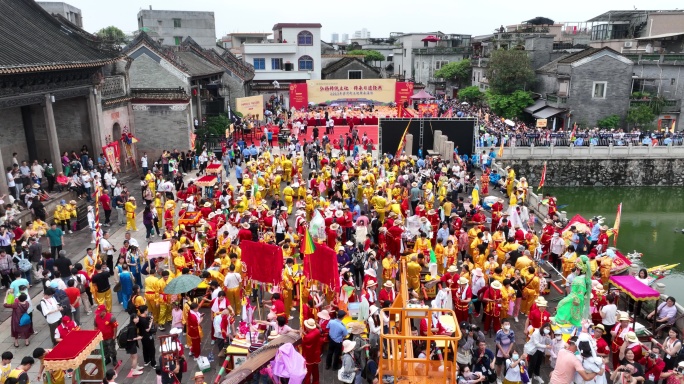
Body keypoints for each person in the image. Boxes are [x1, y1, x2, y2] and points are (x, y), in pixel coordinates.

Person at [301, 318, 324, 384]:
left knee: (308, 372)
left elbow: (304, 343)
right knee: (315, 370)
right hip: (316, 354)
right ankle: (316, 382)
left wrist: (302, 334)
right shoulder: (317, 331)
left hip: (309, 356)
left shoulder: (307, 337)